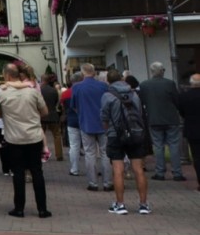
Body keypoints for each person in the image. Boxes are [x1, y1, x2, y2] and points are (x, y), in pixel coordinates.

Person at [0, 63, 51, 218]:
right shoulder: (32, 92)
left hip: (14, 138)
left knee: (18, 173)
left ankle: (19, 208)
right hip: (34, 136)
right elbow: (45, 111)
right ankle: (42, 209)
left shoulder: (2, 93)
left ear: (7, 76)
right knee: (37, 172)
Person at [100, 69, 150, 215]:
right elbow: (140, 113)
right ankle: (143, 204)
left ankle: (120, 204)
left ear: (108, 81)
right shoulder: (134, 94)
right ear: (122, 79)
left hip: (116, 135)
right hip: (135, 134)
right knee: (138, 169)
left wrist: (108, 131)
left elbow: (104, 118)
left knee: (118, 170)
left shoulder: (107, 96)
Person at [139, 61, 186, 182]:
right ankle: (177, 173)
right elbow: (176, 100)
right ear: (161, 71)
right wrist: (181, 113)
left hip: (154, 119)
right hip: (171, 119)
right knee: (174, 146)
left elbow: (142, 102)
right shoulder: (170, 84)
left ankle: (160, 172)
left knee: (158, 147)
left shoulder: (144, 85)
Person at [69, 63, 112, 191]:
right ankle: (107, 182)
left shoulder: (77, 87)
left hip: (86, 123)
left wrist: (82, 114)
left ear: (82, 73)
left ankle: (93, 183)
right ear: (94, 72)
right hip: (103, 124)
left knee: (90, 153)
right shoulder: (103, 86)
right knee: (105, 153)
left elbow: (74, 106)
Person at [176, 73, 200, 191]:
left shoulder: (184, 96)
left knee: (197, 157)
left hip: (192, 129)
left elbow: (182, 112)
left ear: (191, 83)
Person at [61, 72, 83, 176]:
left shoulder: (65, 93)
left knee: (74, 146)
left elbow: (62, 106)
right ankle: (92, 168)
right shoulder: (83, 91)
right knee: (89, 147)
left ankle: (74, 169)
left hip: (71, 121)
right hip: (85, 120)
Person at [40, 73, 63, 162]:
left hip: (42, 116)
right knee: (57, 135)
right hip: (53, 115)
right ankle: (59, 155)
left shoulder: (39, 91)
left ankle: (42, 154)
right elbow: (56, 101)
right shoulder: (54, 90)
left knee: (41, 136)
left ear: (42, 80)